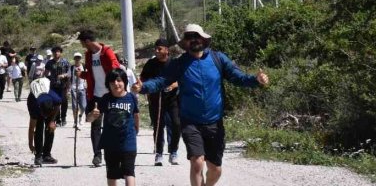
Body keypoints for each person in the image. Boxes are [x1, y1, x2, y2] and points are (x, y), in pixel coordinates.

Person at [134, 24, 269, 186]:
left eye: (196, 36)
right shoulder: (179, 63)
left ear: (203, 39)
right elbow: (161, 81)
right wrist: (143, 87)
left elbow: (237, 77)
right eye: (189, 37)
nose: (194, 40)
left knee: (216, 169)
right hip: (190, 122)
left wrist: (256, 80)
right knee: (197, 161)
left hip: (214, 122)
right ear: (186, 42)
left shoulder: (218, 59)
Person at [78, 29, 121, 167]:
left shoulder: (107, 51)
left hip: (109, 95)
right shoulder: (88, 55)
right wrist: (81, 75)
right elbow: (90, 73)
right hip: (95, 95)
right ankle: (97, 155)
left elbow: (116, 69)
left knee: (111, 125)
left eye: (82, 42)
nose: (82, 45)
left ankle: (113, 153)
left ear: (87, 41)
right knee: (95, 126)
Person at [139, 38, 181, 167]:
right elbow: (143, 79)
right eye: (155, 49)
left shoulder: (174, 64)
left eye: (159, 49)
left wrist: (173, 85)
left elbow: (182, 79)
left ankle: (173, 151)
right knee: (158, 127)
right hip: (156, 100)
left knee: (176, 124)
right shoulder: (151, 64)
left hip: (172, 100)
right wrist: (147, 89)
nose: (156, 51)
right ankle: (159, 153)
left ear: (166, 50)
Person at [97, 68, 140, 186]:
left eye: (119, 80)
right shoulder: (105, 99)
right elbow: (91, 118)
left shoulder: (131, 97)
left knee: (129, 172)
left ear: (125, 82)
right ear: (108, 84)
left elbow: (136, 114)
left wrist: (136, 128)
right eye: (112, 82)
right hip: (110, 143)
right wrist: (92, 115)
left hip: (128, 142)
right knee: (111, 173)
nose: (116, 84)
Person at [27, 76, 61, 166]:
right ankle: (38, 156)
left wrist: (52, 121)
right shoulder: (33, 103)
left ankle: (47, 155)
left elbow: (58, 107)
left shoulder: (55, 98)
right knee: (38, 129)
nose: (45, 116)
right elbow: (31, 128)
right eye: (44, 114)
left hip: (45, 89)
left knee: (50, 128)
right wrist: (30, 144)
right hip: (36, 97)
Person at [44, 46, 71, 126]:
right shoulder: (49, 62)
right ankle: (57, 120)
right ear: (52, 53)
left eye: (58, 51)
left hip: (64, 85)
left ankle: (63, 118)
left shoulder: (65, 61)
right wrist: (48, 79)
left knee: (64, 102)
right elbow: (46, 73)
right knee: (56, 103)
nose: (56, 53)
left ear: (60, 53)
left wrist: (64, 75)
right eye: (55, 52)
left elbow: (69, 73)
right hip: (53, 86)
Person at [70, 52, 87, 130]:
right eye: (76, 58)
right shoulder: (71, 67)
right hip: (74, 88)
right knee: (74, 106)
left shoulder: (84, 66)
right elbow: (68, 75)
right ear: (74, 59)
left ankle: (80, 116)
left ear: (80, 59)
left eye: (79, 58)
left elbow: (87, 76)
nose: (77, 59)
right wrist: (63, 75)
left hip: (82, 88)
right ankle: (75, 121)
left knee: (83, 106)